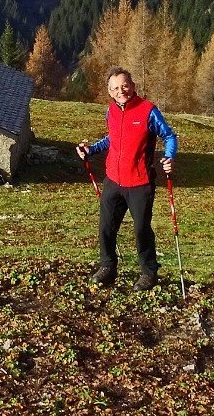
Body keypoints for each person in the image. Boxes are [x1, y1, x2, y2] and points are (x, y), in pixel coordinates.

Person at [77, 67, 177, 291]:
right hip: (113, 179)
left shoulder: (148, 111)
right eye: (115, 88)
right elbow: (112, 139)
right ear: (110, 92)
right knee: (106, 228)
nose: (121, 91)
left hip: (140, 182)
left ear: (133, 86)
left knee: (141, 229)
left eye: (124, 86)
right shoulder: (111, 111)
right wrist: (91, 150)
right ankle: (108, 267)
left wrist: (169, 157)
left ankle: (149, 273)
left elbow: (169, 136)